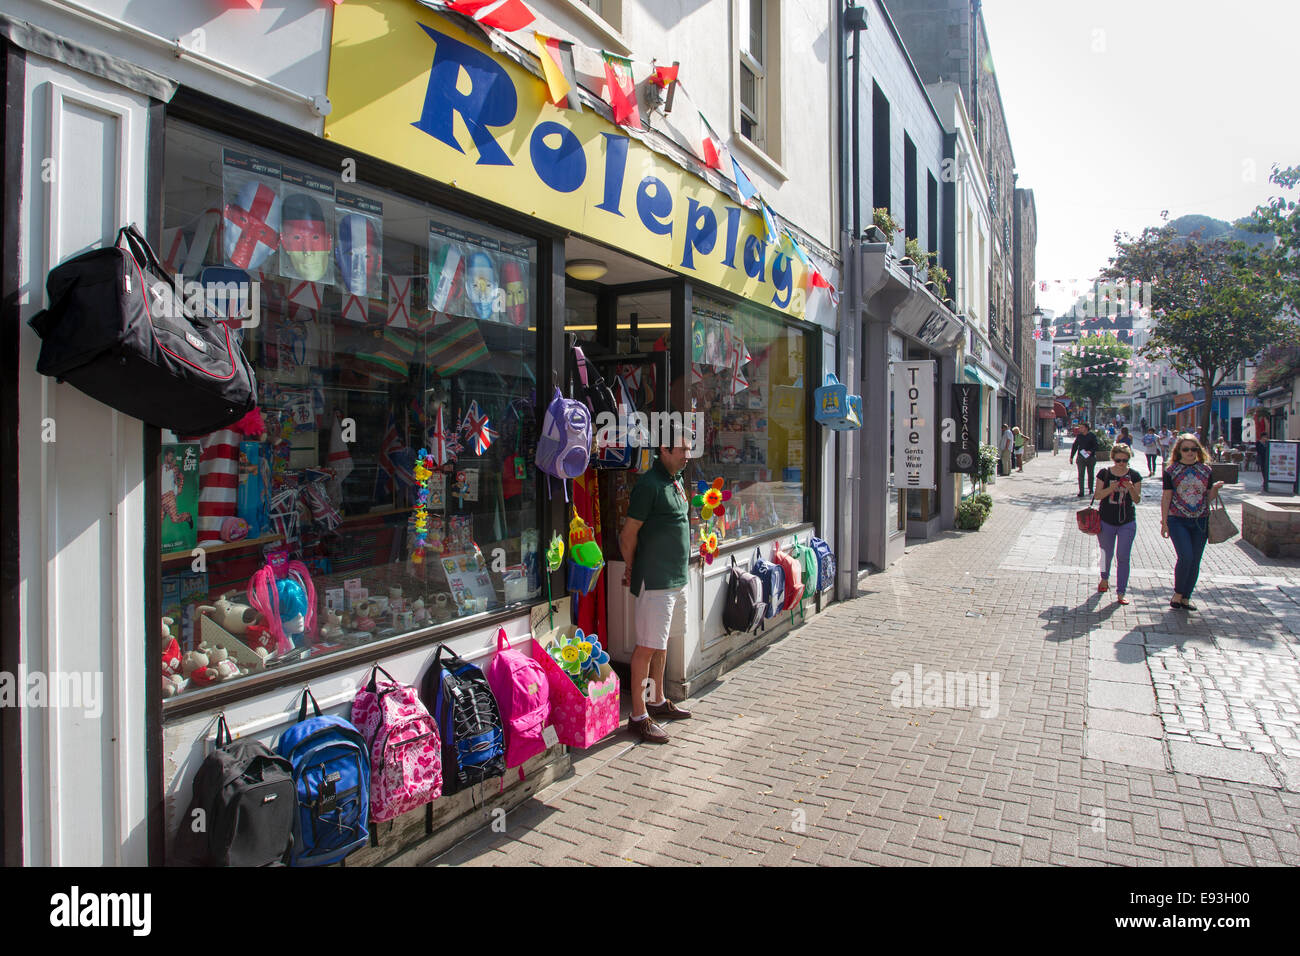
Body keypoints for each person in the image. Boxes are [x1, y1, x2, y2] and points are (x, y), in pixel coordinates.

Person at [619, 431, 694, 743]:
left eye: (689, 449)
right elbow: (628, 534)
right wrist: (632, 566)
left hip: (677, 578)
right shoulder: (649, 485)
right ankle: (638, 717)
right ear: (664, 449)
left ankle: (657, 700)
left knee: (662, 644)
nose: (687, 456)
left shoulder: (675, 480)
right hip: (656, 581)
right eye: (682, 450)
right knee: (647, 647)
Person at [1160, 433, 1224, 611]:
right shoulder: (1171, 471)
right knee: (1185, 556)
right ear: (1179, 451)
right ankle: (1178, 593)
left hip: (1200, 520)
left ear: (1199, 450)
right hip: (1177, 519)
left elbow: (1208, 498)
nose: (1190, 452)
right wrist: (1164, 521)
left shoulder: (1206, 470)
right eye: (1186, 449)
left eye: (1193, 449)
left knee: (1195, 560)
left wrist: (1215, 489)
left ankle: (1186, 597)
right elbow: (1166, 497)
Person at [1093, 443, 1141, 605]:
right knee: (1106, 553)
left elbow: (1137, 500)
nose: (1121, 464)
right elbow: (1097, 496)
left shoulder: (1134, 475)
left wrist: (1131, 488)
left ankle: (1121, 592)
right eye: (1118, 460)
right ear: (1113, 458)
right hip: (1106, 519)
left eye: (1125, 460)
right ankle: (1104, 578)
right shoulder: (1104, 473)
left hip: (1127, 521)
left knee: (1123, 556)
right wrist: (1111, 488)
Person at [1070, 422, 1099, 498]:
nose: (1080, 429)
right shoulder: (1079, 436)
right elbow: (1075, 446)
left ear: (1086, 428)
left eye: (1082, 427)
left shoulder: (1092, 436)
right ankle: (1081, 491)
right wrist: (1071, 456)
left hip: (1090, 457)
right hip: (1081, 457)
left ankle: (1091, 489)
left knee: (1090, 474)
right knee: (1081, 474)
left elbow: (1096, 445)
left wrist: (1091, 451)